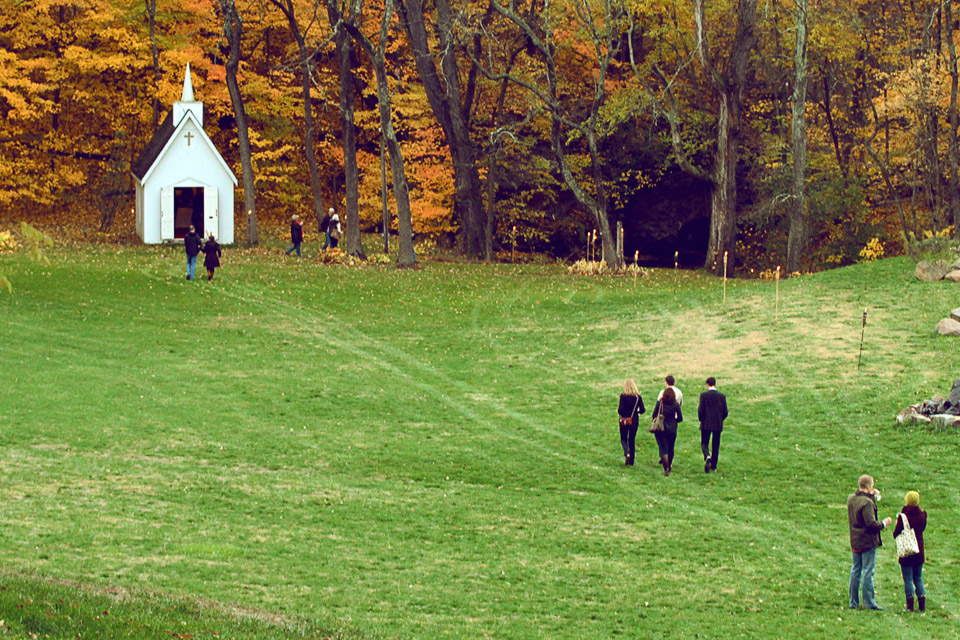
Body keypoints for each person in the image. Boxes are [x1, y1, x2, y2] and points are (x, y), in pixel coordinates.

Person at [847, 474, 893, 610]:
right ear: (868, 486)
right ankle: (869, 602)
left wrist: (871, 496)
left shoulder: (851, 499)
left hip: (855, 540)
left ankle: (853, 602)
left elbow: (863, 503)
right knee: (868, 571)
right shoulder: (867, 503)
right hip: (867, 541)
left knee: (855, 570)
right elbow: (871, 524)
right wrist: (884, 523)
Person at [893, 491, 927, 612]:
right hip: (919, 551)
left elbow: (896, 533)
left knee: (907, 578)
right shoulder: (923, 515)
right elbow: (922, 528)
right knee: (918, 577)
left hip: (907, 552)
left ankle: (910, 606)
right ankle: (922, 605)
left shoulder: (904, 517)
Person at [698, 376, 728, 473]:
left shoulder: (703, 395)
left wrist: (701, 419)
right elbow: (725, 411)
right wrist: (720, 419)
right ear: (715, 384)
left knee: (704, 442)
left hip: (706, 423)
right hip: (717, 424)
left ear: (707, 385)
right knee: (716, 445)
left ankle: (707, 456)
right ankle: (714, 466)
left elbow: (701, 410)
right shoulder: (722, 396)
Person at [651, 387, 682, 476]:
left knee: (662, 447)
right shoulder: (675, 405)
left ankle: (666, 467)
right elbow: (680, 418)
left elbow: (654, 415)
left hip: (661, 428)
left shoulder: (660, 403)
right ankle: (670, 464)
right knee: (671, 447)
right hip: (672, 428)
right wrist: (674, 421)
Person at [617, 379, 645, 466]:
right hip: (634, 420)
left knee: (623, 438)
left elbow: (620, 410)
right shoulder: (637, 397)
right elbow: (643, 410)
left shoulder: (623, 396)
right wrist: (637, 412)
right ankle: (631, 460)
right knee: (632, 439)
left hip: (625, 420)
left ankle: (627, 452)